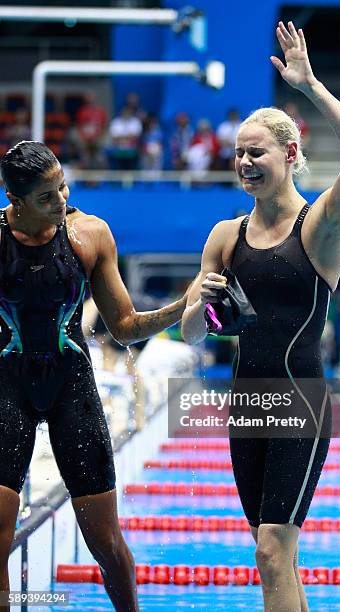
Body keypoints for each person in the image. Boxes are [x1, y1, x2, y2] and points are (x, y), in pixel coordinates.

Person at [181, 20, 340, 612]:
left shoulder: (318, 228)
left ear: (290, 154)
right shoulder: (224, 234)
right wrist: (202, 304)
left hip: (300, 398)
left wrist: (310, 84)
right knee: (273, 554)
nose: (243, 161)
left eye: (256, 151)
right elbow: (190, 331)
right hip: (247, 403)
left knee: (272, 550)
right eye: (238, 153)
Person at [0, 141, 189, 612]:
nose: (61, 201)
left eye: (62, 187)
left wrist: (184, 307)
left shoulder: (89, 235)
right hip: (8, 390)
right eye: (47, 197)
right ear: (14, 202)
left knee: (105, 543)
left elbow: (124, 328)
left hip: (72, 392)